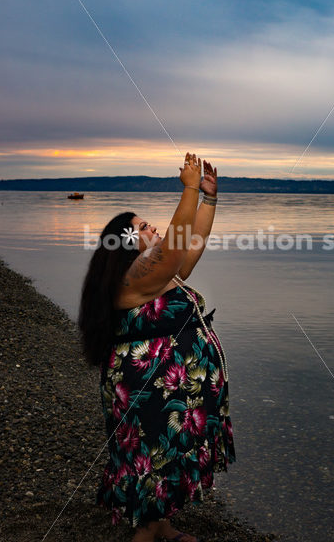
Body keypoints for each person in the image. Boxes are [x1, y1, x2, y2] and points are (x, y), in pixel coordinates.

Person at [78, 153, 235, 542]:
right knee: (151, 462)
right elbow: (177, 241)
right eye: (145, 227)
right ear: (129, 243)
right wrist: (187, 188)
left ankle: (163, 526)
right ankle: (146, 535)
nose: (155, 229)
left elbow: (191, 243)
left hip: (168, 390)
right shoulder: (135, 277)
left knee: (166, 462)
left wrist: (208, 198)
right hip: (146, 391)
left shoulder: (161, 275)